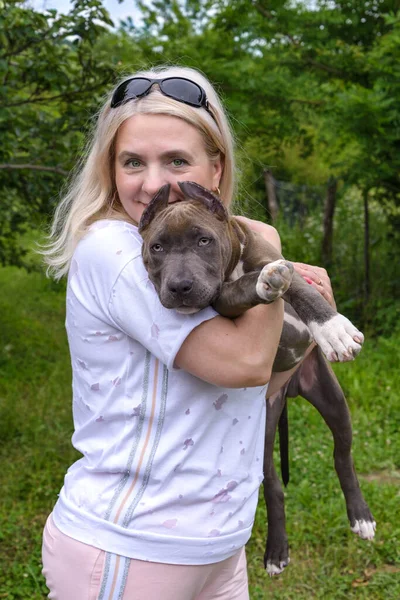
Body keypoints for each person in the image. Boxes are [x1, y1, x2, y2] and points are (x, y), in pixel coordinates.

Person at [41, 65, 334, 600]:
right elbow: (244, 363)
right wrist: (267, 249)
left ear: (215, 168)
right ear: (110, 169)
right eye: (133, 162)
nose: (153, 182)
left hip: (218, 543)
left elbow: (261, 386)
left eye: (176, 160)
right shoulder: (119, 249)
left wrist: (306, 327)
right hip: (132, 547)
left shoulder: (204, 248)